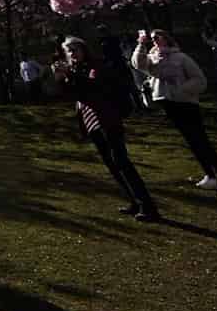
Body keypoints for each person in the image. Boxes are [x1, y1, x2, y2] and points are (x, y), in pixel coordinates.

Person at [55, 37, 160, 222]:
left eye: (76, 49)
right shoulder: (75, 70)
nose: (72, 53)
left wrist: (70, 77)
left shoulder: (95, 66)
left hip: (107, 119)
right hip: (92, 121)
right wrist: (62, 79)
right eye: (69, 50)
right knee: (112, 164)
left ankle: (147, 205)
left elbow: (93, 87)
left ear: (84, 49)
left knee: (122, 162)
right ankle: (134, 201)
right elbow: (74, 94)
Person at [132, 28, 217, 194]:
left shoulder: (181, 57)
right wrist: (140, 44)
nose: (155, 40)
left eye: (159, 36)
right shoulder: (152, 57)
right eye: (152, 38)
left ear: (167, 38)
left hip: (185, 102)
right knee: (191, 140)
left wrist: (181, 90)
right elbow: (138, 64)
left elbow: (199, 79)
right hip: (167, 102)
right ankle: (210, 175)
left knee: (201, 139)